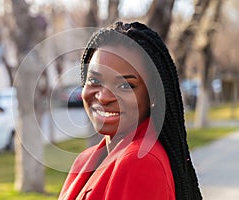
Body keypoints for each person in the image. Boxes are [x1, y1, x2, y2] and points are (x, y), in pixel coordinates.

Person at [58, 21, 202, 200]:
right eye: (95, 81)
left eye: (125, 85)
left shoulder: (141, 161)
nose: (103, 97)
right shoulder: (87, 159)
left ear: (153, 96)